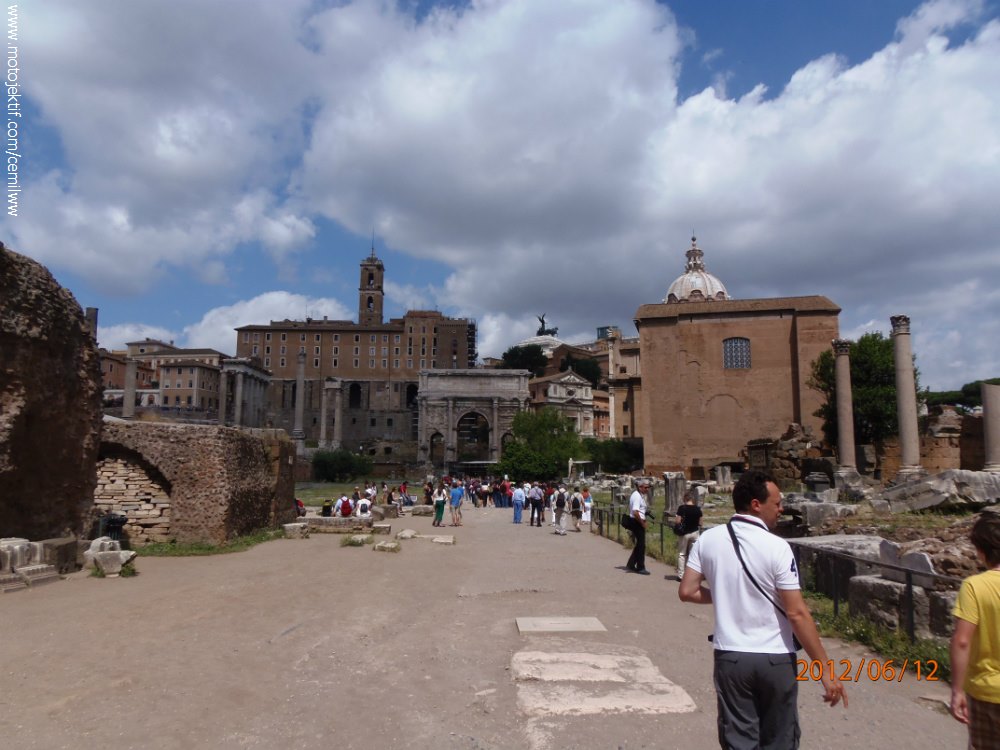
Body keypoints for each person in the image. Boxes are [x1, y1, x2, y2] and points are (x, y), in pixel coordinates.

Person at [679, 470, 847, 749]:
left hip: (731, 656)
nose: (781, 509)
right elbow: (796, 613)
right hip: (775, 657)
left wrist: (723, 594)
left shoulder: (708, 539)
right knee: (780, 739)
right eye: (777, 503)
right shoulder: (778, 547)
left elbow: (687, 591)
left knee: (739, 741)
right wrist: (825, 670)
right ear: (756, 505)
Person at [950, 510, 1000, 748]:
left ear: (980, 550)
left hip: (985, 692)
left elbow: (962, 641)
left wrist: (957, 691)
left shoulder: (974, 586)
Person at [675, 491, 703, 579]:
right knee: (693, 555)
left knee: (682, 554)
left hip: (684, 533)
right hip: (695, 533)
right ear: (692, 499)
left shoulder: (682, 508)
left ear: (685, 498)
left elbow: (678, 521)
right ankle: (691, 575)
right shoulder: (698, 509)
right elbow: (701, 523)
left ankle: (681, 575)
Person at [625, 480, 650, 574]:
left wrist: (644, 513)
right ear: (640, 487)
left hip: (637, 521)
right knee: (641, 545)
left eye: (648, 487)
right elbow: (635, 512)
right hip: (637, 522)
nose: (647, 489)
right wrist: (642, 523)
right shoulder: (637, 496)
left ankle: (631, 563)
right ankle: (640, 567)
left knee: (640, 544)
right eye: (646, 487)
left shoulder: (639, 495)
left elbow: (638, 510)